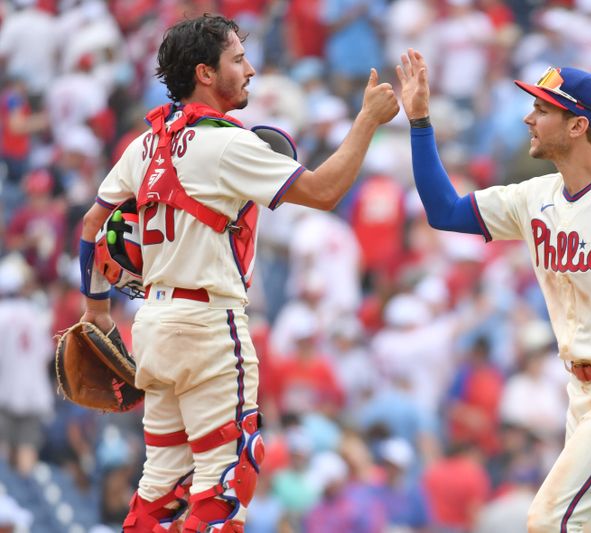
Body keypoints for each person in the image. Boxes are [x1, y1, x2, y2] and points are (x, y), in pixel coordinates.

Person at [77, 14, 398, 531]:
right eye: (237, 59)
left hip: (153, 326)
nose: (250, 70)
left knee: (162, 486)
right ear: (206, 73)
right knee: (226, 480)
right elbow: (323, 192)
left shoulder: (147, 143)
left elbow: (92, 223)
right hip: (209, 324)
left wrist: (95, 310)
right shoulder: (227, 143)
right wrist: (366, 121)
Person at [396, 49, 591, 532]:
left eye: (542, 109)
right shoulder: (533, 197)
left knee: (548, 519)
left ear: (578, 125)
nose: (528, 117)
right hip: (581, 391)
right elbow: (444, 211)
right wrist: (420, 122)